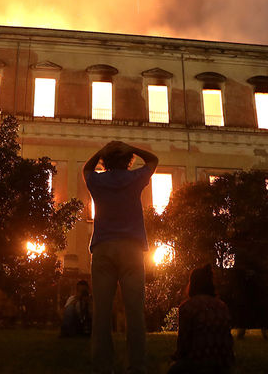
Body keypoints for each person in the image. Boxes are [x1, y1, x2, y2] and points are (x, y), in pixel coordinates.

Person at [84, 140, 158, 374]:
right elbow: (153, 160)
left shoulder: (97, 180)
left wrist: (102, 150)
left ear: (105, 161)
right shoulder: (135, 179)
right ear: (128, 160)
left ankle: (102, 364)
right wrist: (130, 147)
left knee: (101, 312)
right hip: (131, 249)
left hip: (103, 248)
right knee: (135, 310)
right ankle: (136, 365)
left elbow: (86, 168)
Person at [169, 264, 234, 374]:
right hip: (223, 364)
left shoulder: (187, 307)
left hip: (198, 363)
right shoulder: (222, 305)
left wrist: (176, 357)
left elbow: (183, 344)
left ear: (193, 284)